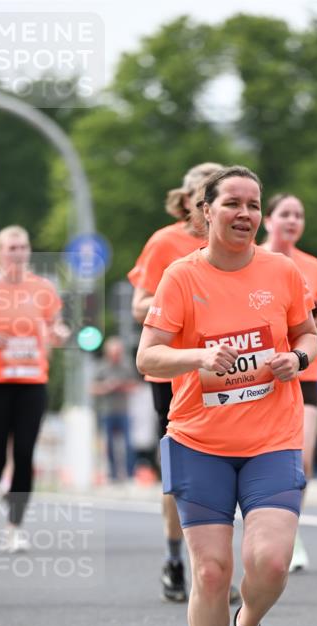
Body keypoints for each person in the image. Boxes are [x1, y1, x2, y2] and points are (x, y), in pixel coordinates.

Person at [136, 165, 317, 626]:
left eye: (253, 205)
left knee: (270, 562)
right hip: (199, 440)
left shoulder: (282, 271)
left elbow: (307, 331)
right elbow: (148, 357)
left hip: (272, 438)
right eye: (232, 203)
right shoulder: (181, 277)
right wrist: (196, 357)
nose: (245, 214)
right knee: (212, 571)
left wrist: (300, 357)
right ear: (206, 211)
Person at [129, 161, 241, 603]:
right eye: (202, 193)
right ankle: (177, 559)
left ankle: (214, 565)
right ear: (195, 201)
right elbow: (140, 305)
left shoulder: (239, 243)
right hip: (173, 372)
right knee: (183, 477)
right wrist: (182, 303)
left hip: (228, 371)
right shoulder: (165, 243)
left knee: (227, 468)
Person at [0, 225, 69, 551]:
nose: (18, 253)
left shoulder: (42, 288)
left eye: (23, 247)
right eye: (11, 248)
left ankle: (14, 527)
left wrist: (61, 333)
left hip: (31, 382)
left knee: (24, 453)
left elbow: (55, 324)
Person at [262, 193, 317, 572]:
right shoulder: (249, 259)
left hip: (305, 371)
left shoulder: (314, 266)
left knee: (300, 459)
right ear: (268, 219)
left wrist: (300, 331)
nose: (292, 221)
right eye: (284, 214)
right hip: (258, 373)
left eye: (298, 215)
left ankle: (291, 533)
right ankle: (263, 527)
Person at [91, 337, 137, 481]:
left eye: (118, 353)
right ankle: (113, 475)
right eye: (114, 353)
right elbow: (92, 388)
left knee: (129, 444)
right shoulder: (101, 367)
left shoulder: (126, 366)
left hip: (124, 410)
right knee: (109, 445)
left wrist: (121, 386)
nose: (116, 356)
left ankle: (130, 474)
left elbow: (135, 385)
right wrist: (106, 387)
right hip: (107, 411)